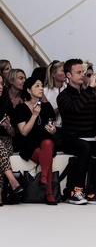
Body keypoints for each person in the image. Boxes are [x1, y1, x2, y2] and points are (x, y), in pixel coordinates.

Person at [57, 59, 96, 205]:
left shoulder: (89, 94)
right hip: (70, 138)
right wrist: (89, 89)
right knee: (84, 148)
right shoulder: (63, 96)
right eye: (78, 72)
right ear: (69, 75)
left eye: (83, 72)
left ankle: (95, 192)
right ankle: (75, 192)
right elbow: (76, 108)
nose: (82, 75)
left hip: (88, 138)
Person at [12, 77, 58, 205]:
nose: (41, 88)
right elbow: (24, 132)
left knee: (48, 143)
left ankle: (43, 177)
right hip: (29, 144)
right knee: (47, 158)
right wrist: (34, 115)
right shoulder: (21, 108)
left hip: (46, 141)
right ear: (28, 90)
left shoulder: (47, 106)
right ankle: (49, 192)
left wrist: (53, 130)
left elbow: (52, 127)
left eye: (42, 85)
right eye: (37, 86)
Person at [0, 75, 24, 205]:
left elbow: (13, 133)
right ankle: (12, 180)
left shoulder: (6, 104)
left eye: (1, 84)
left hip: (6, 142)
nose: (0, 87)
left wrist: (7, 126)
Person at [42, 60, 66, 127]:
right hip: (50, 127)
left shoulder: (68, 89)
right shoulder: (44, 91)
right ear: (53, 74)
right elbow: (44, 114)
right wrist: (59, 108)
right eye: (63, 71)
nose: (66, 73)